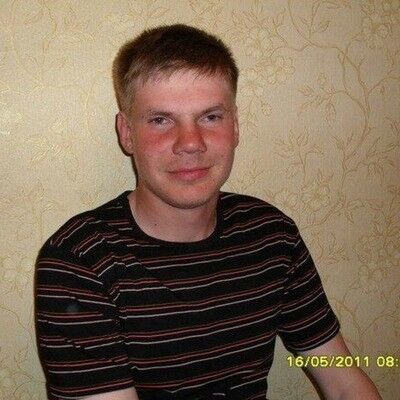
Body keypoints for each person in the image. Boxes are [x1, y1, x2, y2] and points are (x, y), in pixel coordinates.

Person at [35, 24, 381, 400]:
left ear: (236, 126)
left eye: (210, 117)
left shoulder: (271, 235)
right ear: (127, 133)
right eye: (161, 120)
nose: (191, 143)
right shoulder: (79, 260)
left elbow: (342, 379)